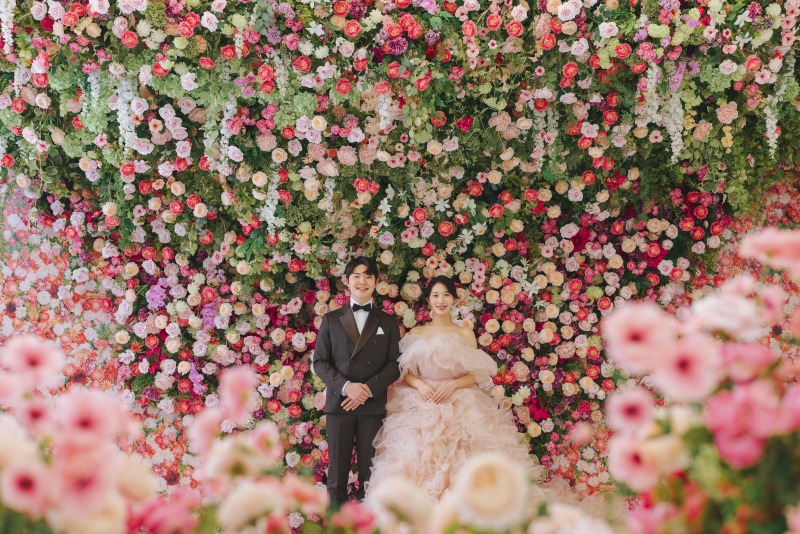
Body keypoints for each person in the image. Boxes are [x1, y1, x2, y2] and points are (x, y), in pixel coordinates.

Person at [366, 275, 538, 502]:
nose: (441, 300)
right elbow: (403, 370)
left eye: (446, 295)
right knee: (416, 459)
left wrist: (453, 385)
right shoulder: (416, 333)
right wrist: (420, 385)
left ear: (454, 299)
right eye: (436, 295)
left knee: (463, 455)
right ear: (428, 300)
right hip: (421, 401)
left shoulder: (464, 333)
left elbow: (475, 374)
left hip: (458, 399)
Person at [312, 257, 402, 507]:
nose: (362, 281)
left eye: (368, 276)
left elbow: (395, 364)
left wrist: (368, 389)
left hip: (371, 406)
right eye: (357, 276)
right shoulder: (331, 319)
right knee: (337, 474)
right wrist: (347, 387)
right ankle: (335, 522)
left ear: (375, 281)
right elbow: (320, 362)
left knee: (370, 475)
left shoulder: (387, 321)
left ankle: (368, 522)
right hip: (339, 404)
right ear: (347, 281)